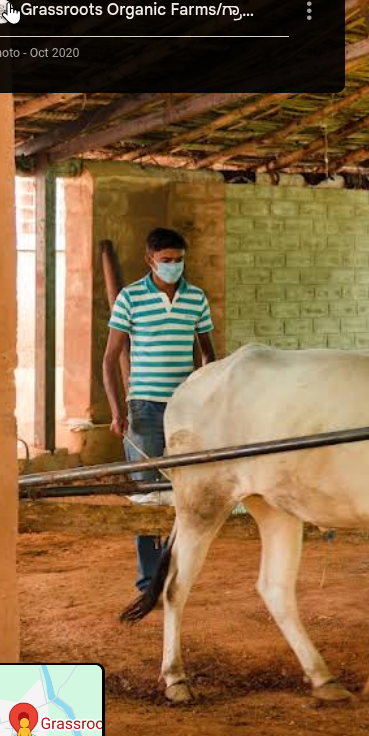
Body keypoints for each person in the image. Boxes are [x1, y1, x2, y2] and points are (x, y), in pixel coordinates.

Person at [102, 228, 217, 591]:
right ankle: (149, 579)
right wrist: (118, 412)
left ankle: (176, 568)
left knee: (182, 490)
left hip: (184, 407)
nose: (174, 267)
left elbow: (209, 353)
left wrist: (202, 395)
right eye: (166, 261)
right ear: (149, 260)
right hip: (144, 409)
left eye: (179, 260)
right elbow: (108, 360)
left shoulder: (196, 298)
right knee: (147, 493)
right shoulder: (130, 298)